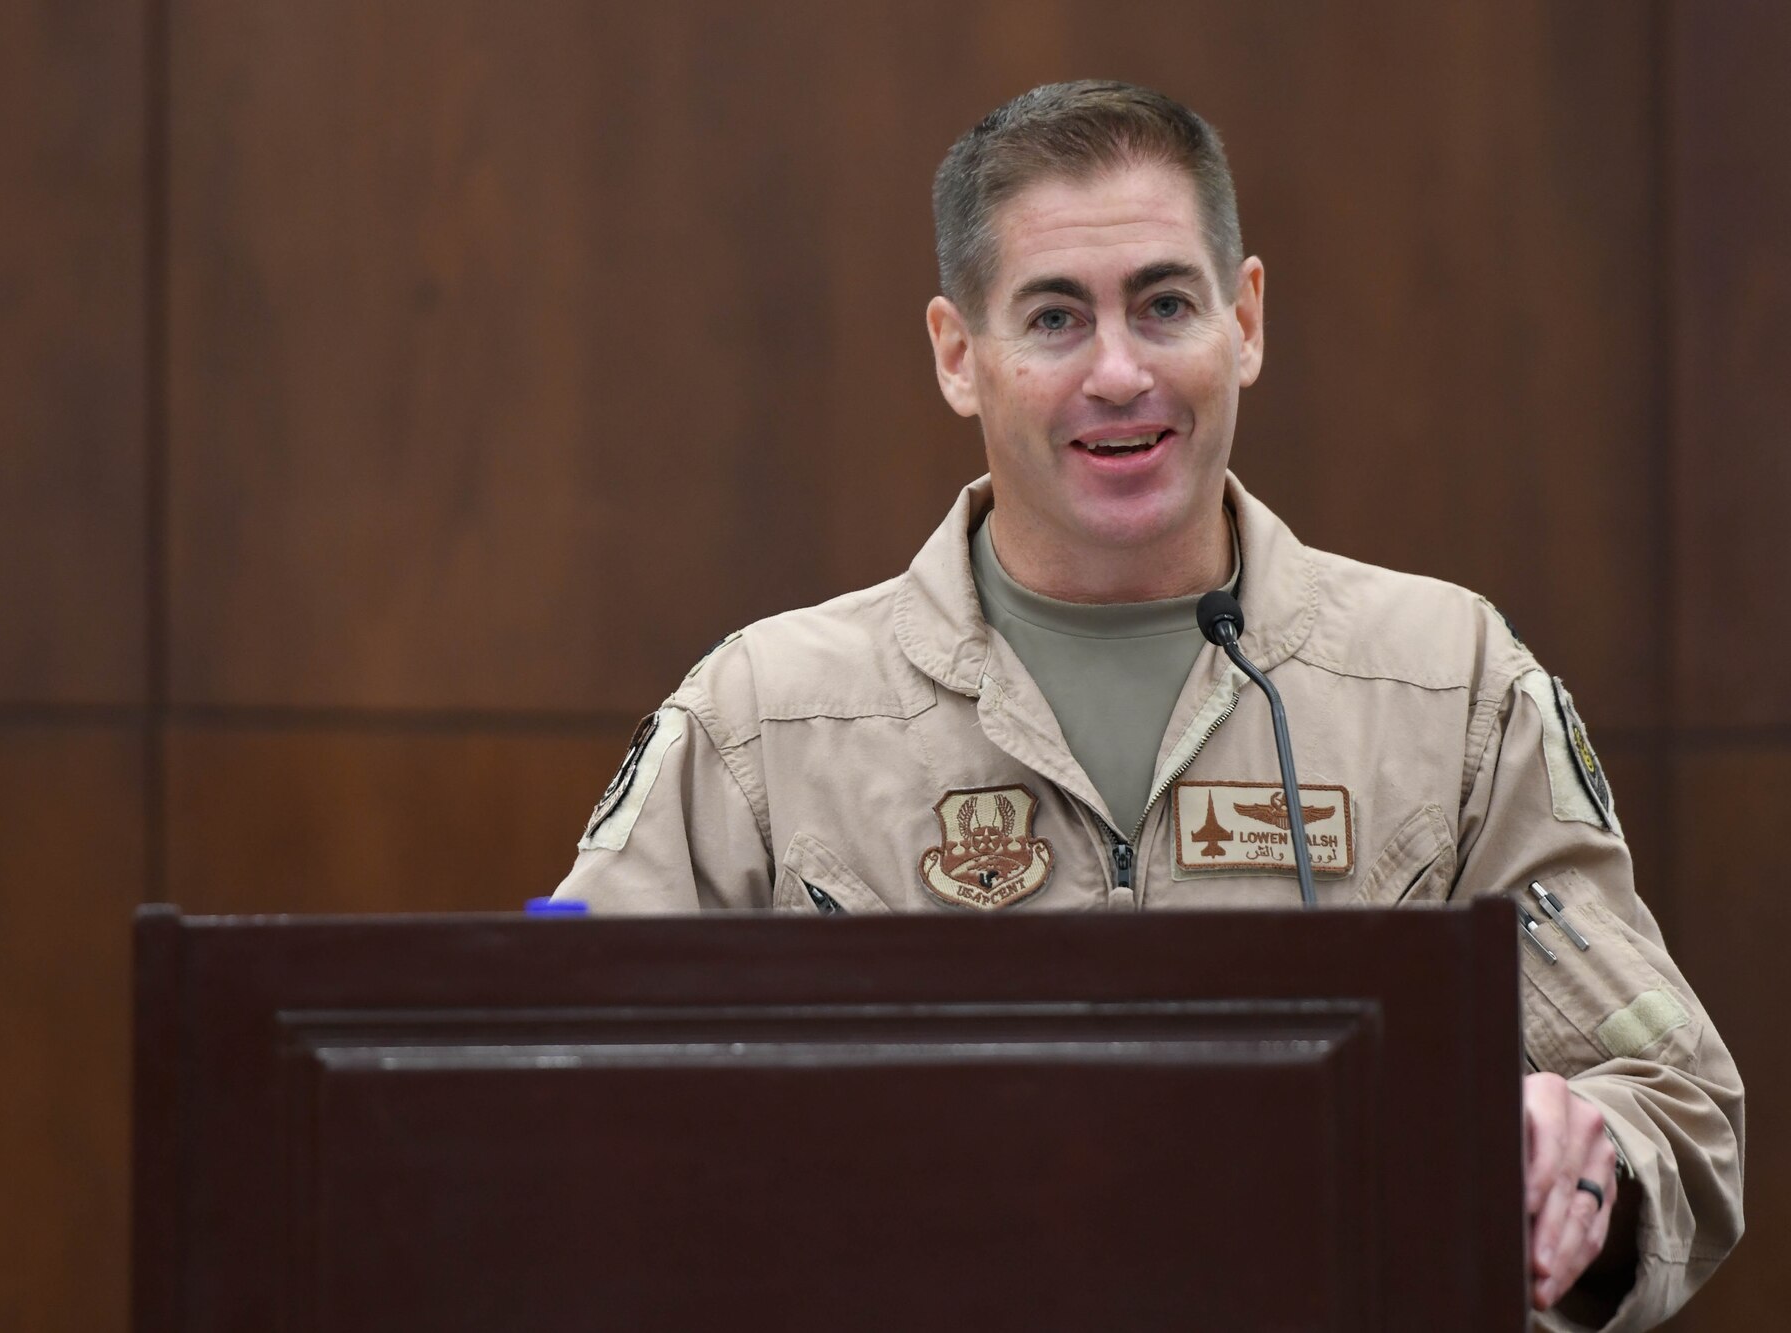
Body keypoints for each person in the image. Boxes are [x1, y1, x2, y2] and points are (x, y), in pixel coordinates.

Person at [552, 81, 1742, 1328]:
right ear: (960, 357)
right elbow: (542, 1097)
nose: (1118, 372)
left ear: (1244, 320)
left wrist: (1585, 1162)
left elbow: (1678, 1113)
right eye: (1054, 318)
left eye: (1164, 304)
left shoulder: (1445, 686)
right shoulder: (766, 718)